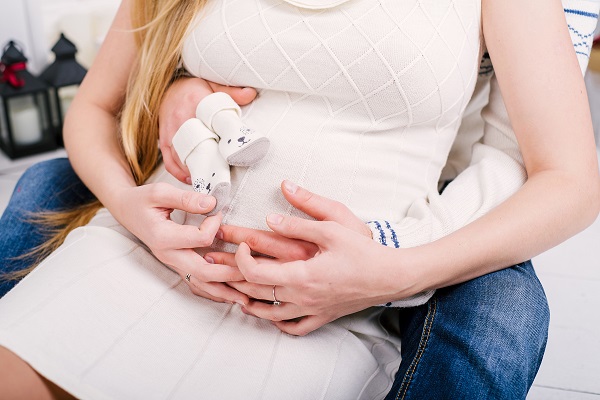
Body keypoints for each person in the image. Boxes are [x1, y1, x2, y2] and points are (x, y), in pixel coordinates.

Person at [0, 0, 599, 399]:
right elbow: (94, 107)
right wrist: (127, 202)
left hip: (319, 321)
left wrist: (393, 272)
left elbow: (571, 179)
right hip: (134, 262)